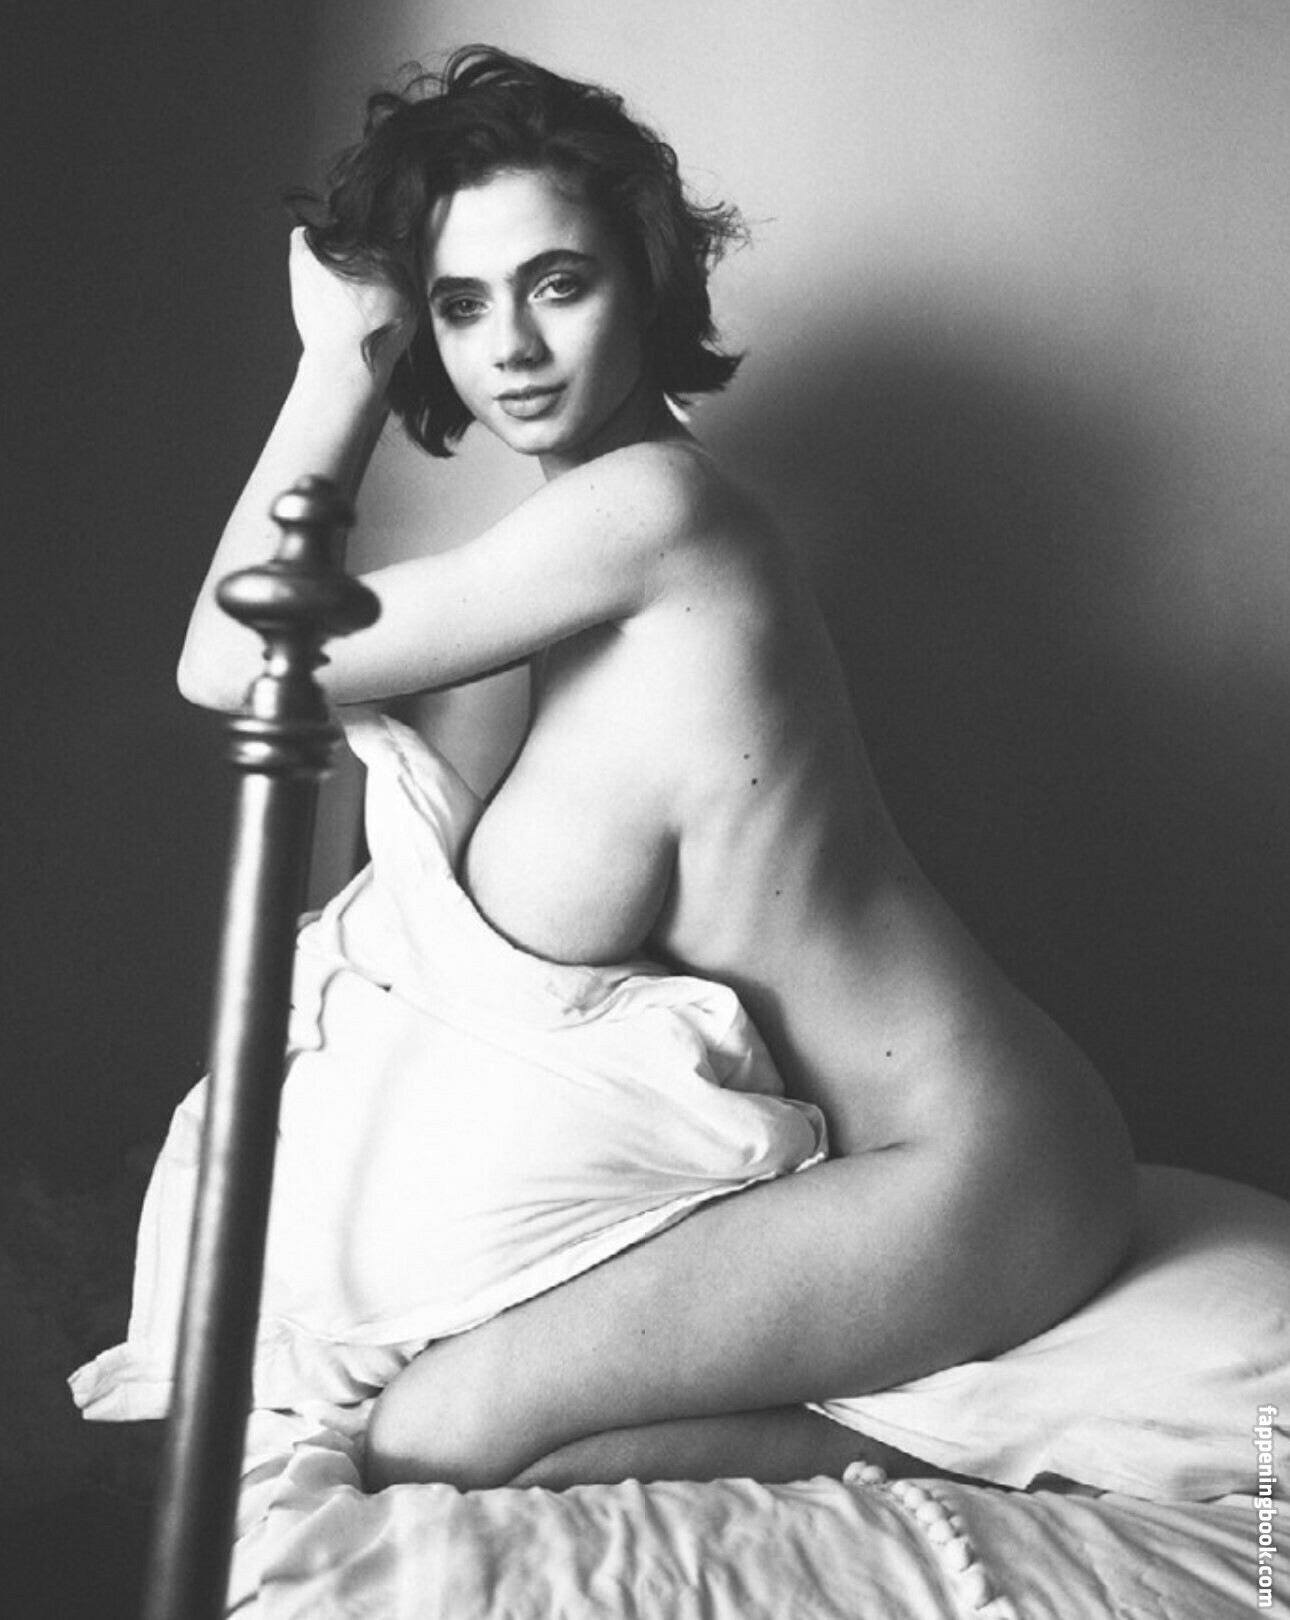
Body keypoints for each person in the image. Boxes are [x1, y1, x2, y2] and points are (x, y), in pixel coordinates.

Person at [178, 46, 1136, 1493]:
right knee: (432, 1420)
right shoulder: (562, 577)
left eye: (556, 283)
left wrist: (336, 369)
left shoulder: (654, 510)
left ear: (644, 281)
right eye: (458, 304)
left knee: (441, 1433)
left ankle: (1020, 1453)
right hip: (870, 1169)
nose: (511, 346)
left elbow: (227, 658)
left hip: (969, 1167)